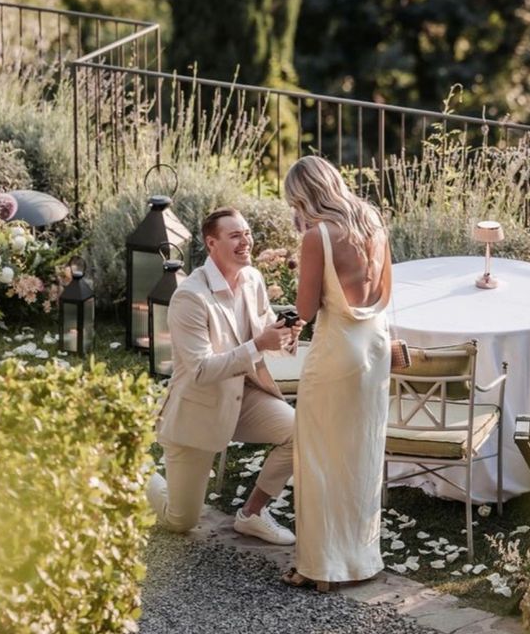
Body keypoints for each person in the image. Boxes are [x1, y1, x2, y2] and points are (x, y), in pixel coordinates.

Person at [146, 207, 303, 545]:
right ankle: (139, 476)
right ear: (211, 243)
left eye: (246, 233)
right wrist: (259, 343)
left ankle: (253, 514)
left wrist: (285, 337)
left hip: (244, 397)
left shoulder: (253, 279)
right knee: (180, 521)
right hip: (200, 408)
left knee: (300, 432)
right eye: (235, 235)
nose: (245, 241)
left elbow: (263, 340)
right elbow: (201, 370)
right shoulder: (189, 296)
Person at [281, 155, 392, 591]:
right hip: (375, 345)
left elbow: (306, 310)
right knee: (362, 456)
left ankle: (320, 568)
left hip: (336, 353)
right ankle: (362, 560)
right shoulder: (373, 221)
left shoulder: (317, 236)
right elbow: (381, 288)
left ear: (303, 196)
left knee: (319, 459)